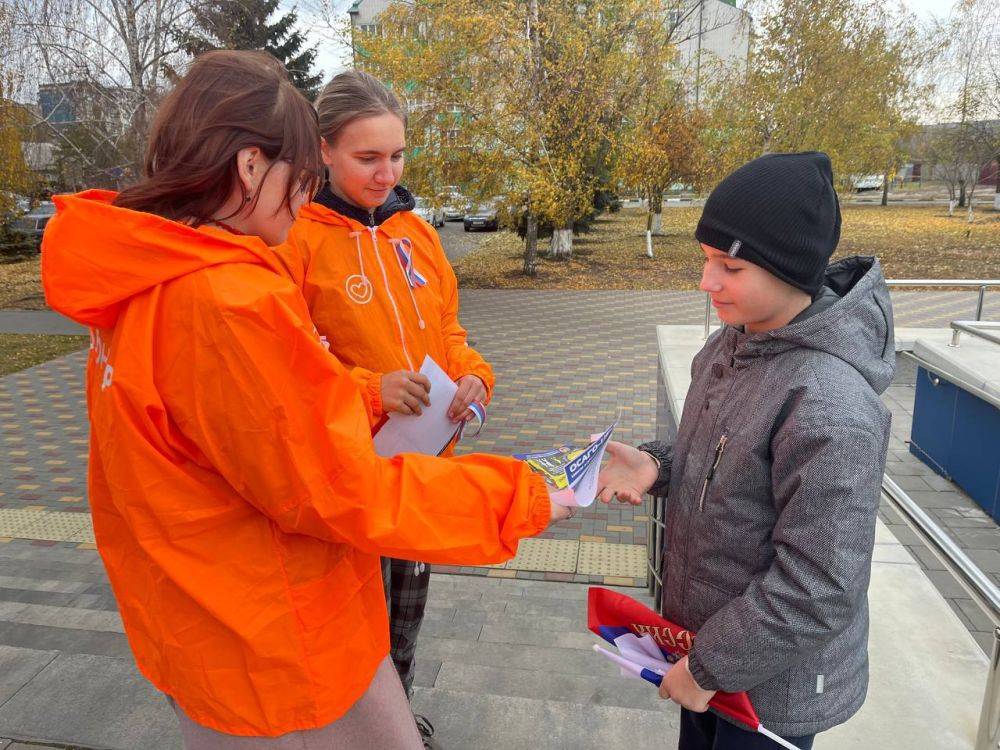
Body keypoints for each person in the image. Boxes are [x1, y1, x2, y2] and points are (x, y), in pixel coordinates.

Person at [41, 50, 572, 750]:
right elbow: (338, 486)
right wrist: (530, 494)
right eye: (307, 176)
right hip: (269, 636)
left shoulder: (147, 274)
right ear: (252, 168)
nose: (307, 196)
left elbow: (258, 434)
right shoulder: (225, 299)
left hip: (208, 612)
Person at [597, 152, 895, 750]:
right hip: (706, 659)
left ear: (788, 270)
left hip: (767, 698)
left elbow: (820, 585)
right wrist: (660, 464)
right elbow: (724, 467)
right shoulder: (733, 345)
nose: (707, 283)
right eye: (706, 261)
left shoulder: (829, 404)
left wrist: (710, 666)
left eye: (728, 267)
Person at [276, 70, 488, 746]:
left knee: (403, 616)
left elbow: (448, 331)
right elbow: (285, 363)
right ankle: (349, 731)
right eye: (367, 158)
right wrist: (371, 389)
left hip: (417, 468)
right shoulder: (295, 240)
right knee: (345, 623)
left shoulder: (416, 236)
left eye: (396, 156)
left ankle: (396, 727)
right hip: (345, 477)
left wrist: (474, 375)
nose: (384, 172)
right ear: (323, 151)